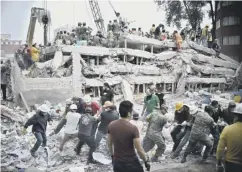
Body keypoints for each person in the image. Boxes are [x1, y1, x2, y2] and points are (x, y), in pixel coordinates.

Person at [108, 100, 150, 172]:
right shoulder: (133, 128)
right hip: (131, 163)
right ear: (129, 113)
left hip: (117, 162)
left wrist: (112, 157)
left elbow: (109, 144)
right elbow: (139, 150)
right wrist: (146, 161)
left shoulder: (111, 125)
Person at [216, 103, 242, 172]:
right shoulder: (224, 111)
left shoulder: (227, 129)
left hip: (231, 164)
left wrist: (219, 163)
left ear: (236, 116)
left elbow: (220, 148)